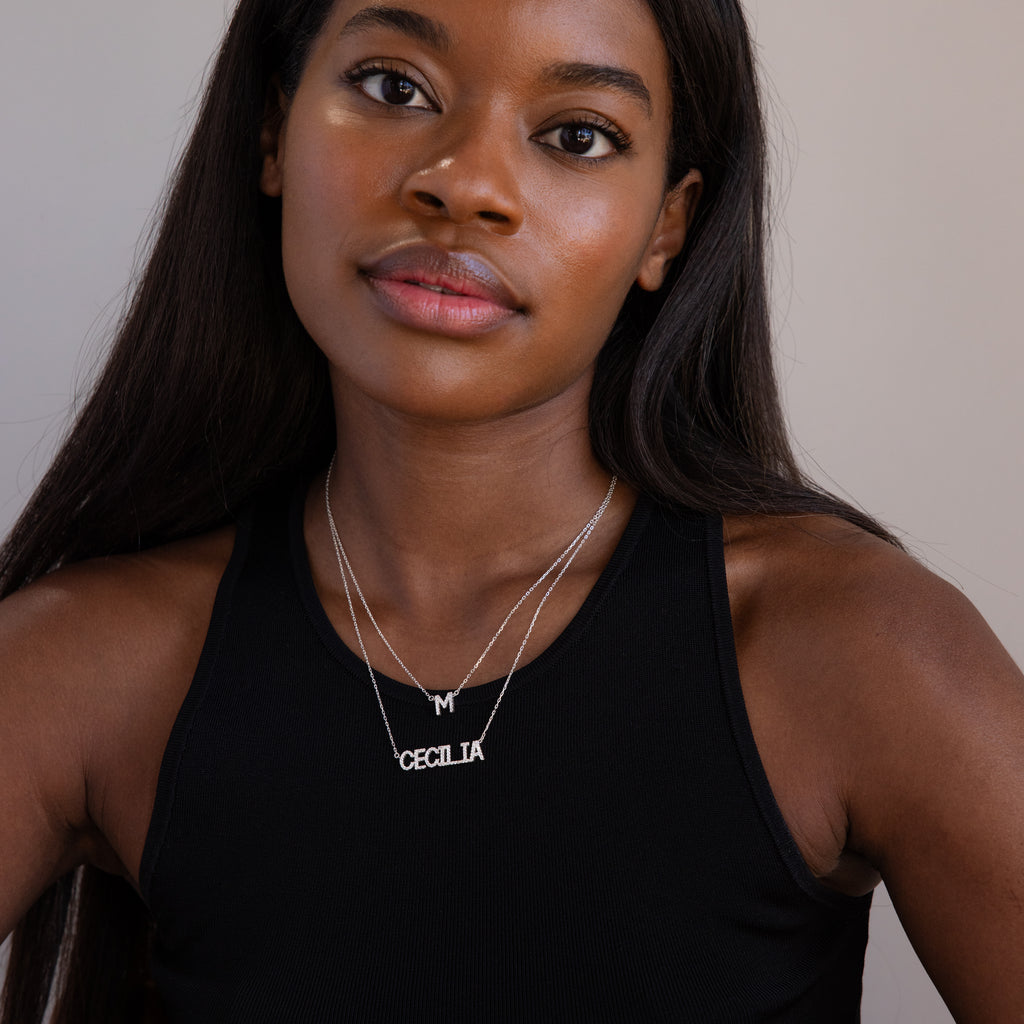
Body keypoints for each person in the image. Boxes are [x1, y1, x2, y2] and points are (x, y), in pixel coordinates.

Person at [1, 0, 1022, 1020]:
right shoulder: (90, 671)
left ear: (666, 223)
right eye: (395, 87)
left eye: (576, 136)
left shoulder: (858, 652)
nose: (465, 184)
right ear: (273, 131)